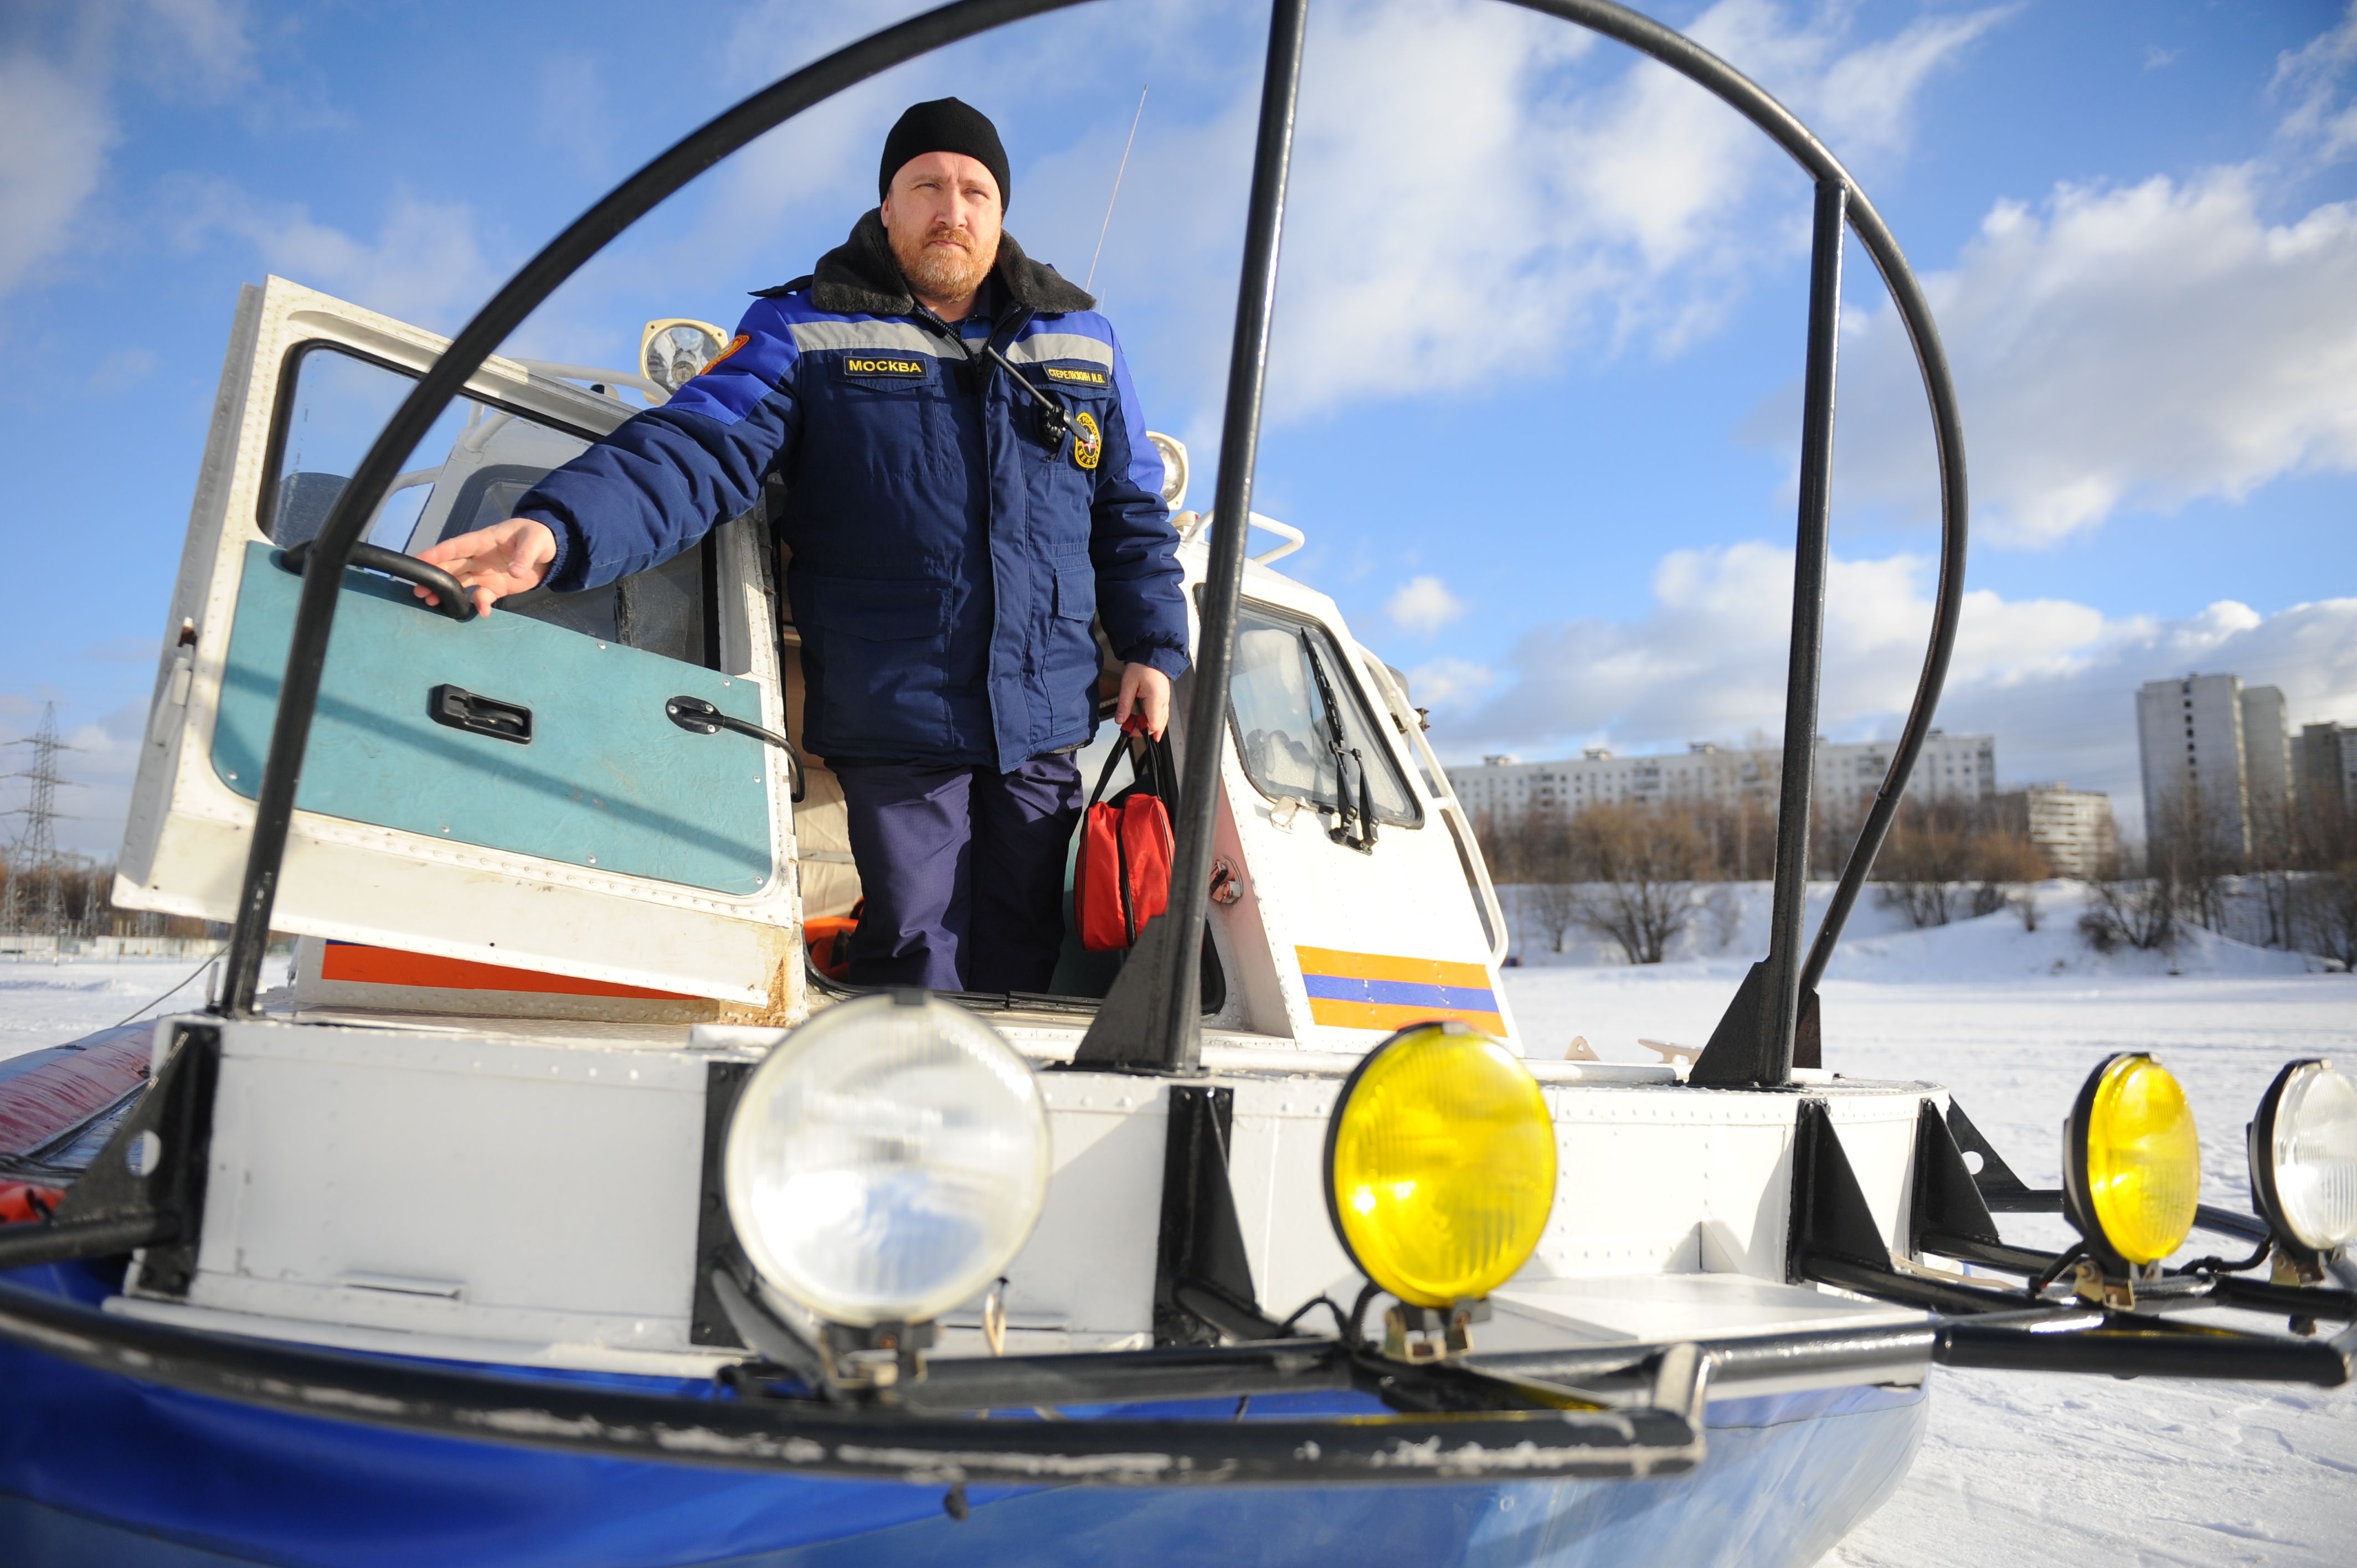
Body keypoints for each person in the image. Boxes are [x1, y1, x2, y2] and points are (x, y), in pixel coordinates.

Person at [417, 98, 1188, 993]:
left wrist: (1152, 648)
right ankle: (908, 1119)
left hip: (1043, 719)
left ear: (1001, 212)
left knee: (1023, 952)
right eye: (927, 187)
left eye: (976, 191)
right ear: (887, 207)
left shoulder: (1084, 342)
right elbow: (699, 447)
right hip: (898, 707)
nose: (953, 209)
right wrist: (554, 530)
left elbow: (1130, 512)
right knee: (916, 945)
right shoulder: (803, 327)